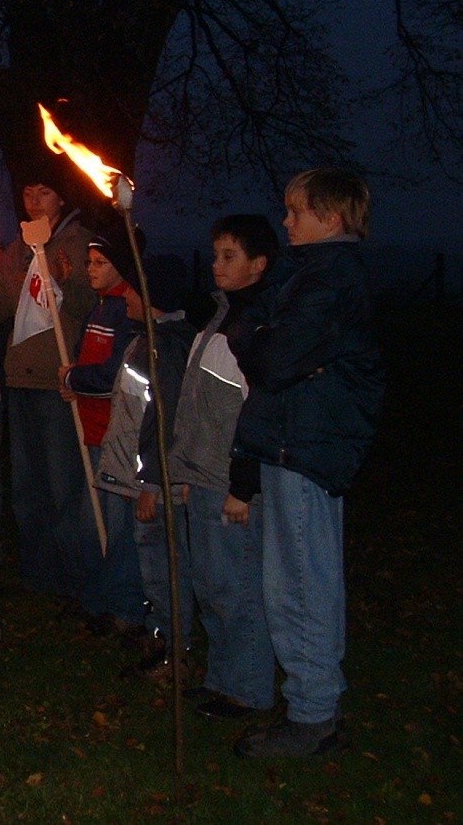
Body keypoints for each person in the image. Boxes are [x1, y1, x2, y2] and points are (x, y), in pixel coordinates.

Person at [230, 169, 384, 758]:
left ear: (332, 217)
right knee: (290, 578)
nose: (286, 221)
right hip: (291, 438)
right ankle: (310, 704)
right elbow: (262, 334)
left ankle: (314, 714)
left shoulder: (331, 278)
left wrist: (254, 333)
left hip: (308, 444)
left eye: (296, 211)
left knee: (300, 582)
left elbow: (273, 359)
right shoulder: (309, 273)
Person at [173, 214, 280, 720]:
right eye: (215, 255)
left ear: (258, 264)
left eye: (229, 256)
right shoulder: (220, 317)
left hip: (232, 480)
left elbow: (259, 412)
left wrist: (245, 484)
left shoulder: (256, 327)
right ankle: (224, 679)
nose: (216, 265)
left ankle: (249, 688)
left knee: (236, 586)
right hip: (205, 474)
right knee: (210, 583)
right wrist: (190, 471)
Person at [0, 168, 96, 599]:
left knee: (63, 485)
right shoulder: (18, 245)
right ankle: (39, 576)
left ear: (61, 199)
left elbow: (84, 299)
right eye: (28, 189)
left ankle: (79, 580)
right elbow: (5, 304)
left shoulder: (75, 243)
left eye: (44, 189)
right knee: (27, 485)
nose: (33, 199)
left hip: (57, 379)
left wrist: (65, 278)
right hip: (21, 376)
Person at [103, 255, 196, 680]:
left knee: (163, 565)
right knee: (151, 561)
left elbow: (166, 418)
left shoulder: (167, 347)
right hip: (145, 479)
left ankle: (173, 649)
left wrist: (153, 483)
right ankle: (161, 633)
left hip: (157, 483)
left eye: (133, 290)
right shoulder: (146, 339)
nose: (125, 296)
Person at [61, 225, 143, 633]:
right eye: (89, 262)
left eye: (99, 263)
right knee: (90, 525)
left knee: (119, 529)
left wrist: (74, 378)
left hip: (115, 440)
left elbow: (114, 373)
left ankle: (125, 609)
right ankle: (95, 601)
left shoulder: (124, 308)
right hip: (90, 432)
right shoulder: (99, 306)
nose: (90, 269)